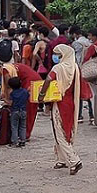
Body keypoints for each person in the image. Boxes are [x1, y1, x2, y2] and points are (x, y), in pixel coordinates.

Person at [38, 45, 83, 175]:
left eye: (57, 54)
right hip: (70, 102)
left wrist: (41, 95)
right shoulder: (74, 67)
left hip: (60, 102)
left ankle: (74, 160)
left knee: (60, 132)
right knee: (66, 129)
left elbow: (48, 79)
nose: (55, 57)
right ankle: (62, 159)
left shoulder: (58, 68)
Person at [7, 77, 29, 148]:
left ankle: (15, 141)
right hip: (23, 110)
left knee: (14, 127)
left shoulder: (12, 93)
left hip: (15, 111)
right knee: (23, 126)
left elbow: (10, 103)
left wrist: (4, 99)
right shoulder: (24, 91)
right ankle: (23, 140)